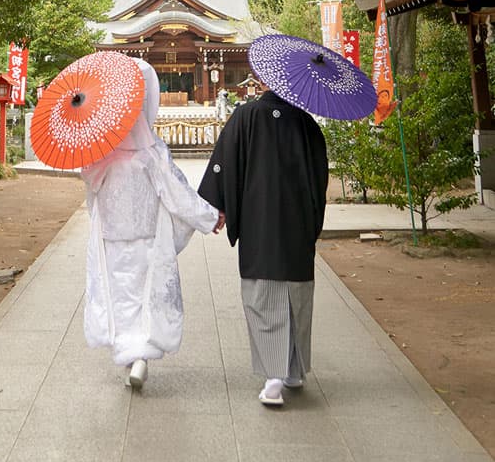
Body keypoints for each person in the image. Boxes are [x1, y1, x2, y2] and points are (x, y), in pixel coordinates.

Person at [81, 59, 224, 390]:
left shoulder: (99, 156)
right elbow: (177, 194)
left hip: (112, 235)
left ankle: (129, 354)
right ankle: (141, 355)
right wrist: (208, 216)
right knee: (146, 295)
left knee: (120, 293)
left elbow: (91, 193)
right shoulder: (150, 152)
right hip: (147, 232)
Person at [197, 87, 328, 407]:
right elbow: (320, 178)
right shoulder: (307, 124)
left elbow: (223, 164)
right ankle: (294, 371)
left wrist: (219, 207)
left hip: (259, 224)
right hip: (296, 227)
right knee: (297, 297)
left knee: (263, 296)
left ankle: (273, 377)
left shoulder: (245, 117)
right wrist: (311, 225)